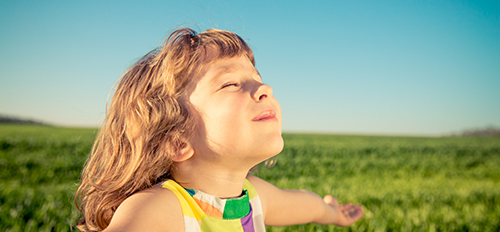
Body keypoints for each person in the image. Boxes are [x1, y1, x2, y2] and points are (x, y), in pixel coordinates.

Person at [75, 28, 364, 232]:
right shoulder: (162, 208)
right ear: (177, 141)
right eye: (230, 84)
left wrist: (332, 213)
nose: (265, 88)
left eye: (257, 78)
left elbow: (305, 205)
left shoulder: (253, 198)